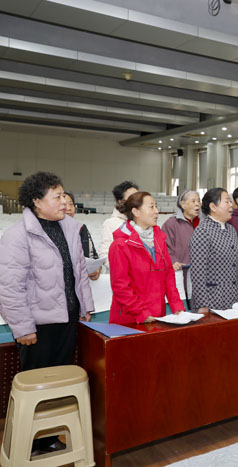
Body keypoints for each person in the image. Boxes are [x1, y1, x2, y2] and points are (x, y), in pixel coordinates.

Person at [0, 172, 94, 455]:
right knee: (38, 385)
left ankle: (49, 436)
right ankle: (31, 443)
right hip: (37, 326)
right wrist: (22, 327)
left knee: (59, 385)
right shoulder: (17, 236)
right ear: (37, 201)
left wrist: (85, 305)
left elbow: (79, 272)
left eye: (64, 195)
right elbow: (10, 286)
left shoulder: (70, 228)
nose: (64, 201)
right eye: (57, 196)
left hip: (67, 319)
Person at [109, 192, 186, 324]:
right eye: (151, 207)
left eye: (156, 206)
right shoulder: (120, 245)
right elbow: (121, 287)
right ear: (136, 212)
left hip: (157, 315)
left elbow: (168, 276)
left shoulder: (159, 239)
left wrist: (177, 306)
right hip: (131, 319)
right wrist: (141, 313)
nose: (157, 211)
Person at [189, 188, 238, 312]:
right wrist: (202, 304)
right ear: (213, 207)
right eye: (226, 201)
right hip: (212, 301)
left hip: (233, 299)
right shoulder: (202, 231)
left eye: (230, 201)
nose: (231, 205)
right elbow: (198, 273)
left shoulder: (231, 230)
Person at [162, 189, 201, 301]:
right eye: (193, 201)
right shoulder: (171, 223)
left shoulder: (201, 223)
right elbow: (165, 247)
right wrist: (173, 261)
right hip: (180, 273)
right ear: (182, 204)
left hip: (198, 276)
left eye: (199, 201)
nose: (197, 204)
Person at [100, 180, 139, 267]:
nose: (137, 201)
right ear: (120, 201)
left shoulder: (142, 222)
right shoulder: (110, 223)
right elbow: (105, 254)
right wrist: (122, 268)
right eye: (132, 197)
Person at [63, 192, 101, 280]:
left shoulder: (82, 228)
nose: (69, 208)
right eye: (64, 205)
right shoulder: (50, 231)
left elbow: (93, 256)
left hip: (81, 281)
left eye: (71, 204)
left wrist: (97, 269)